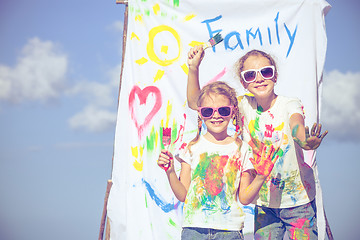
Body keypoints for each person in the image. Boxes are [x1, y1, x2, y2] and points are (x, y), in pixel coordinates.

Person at [186, 46, 328, 240]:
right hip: (264, 203)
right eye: (250, 75)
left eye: (266, 72)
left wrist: (305, 141)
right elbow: (197, 103)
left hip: (299, 201)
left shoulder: (289, 104)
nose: (259, 78)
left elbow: (297, 126)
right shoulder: (241, 105)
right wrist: (193, 68)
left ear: (275, 76)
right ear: (244, 83)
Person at [158, 81, 279, 240]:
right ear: (200, 113)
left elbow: (244, 198)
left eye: (223, 110)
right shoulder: (192, 147)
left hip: (229, 231)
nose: (216, 115)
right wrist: (170, 172)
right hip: (194, 230)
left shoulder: (242, 149)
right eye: (208, 111)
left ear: (233, 111)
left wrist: (261, 177)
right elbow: (183, 195)